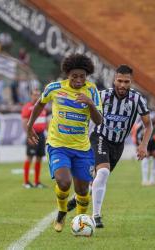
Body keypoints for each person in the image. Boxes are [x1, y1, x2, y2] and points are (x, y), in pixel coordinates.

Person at [68, 65, 152, 228]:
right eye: (119, 81)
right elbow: (86, 114)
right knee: (104, 171)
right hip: (100, 138)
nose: (122, 85)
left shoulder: (137, 99)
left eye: (126, 82)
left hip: (118, 145)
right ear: (114, 80)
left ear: (131, 82)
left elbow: (148, 125)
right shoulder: (103, 96)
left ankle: (78, 198)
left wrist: (143, 145)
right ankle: (96, 216)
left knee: (99, 178)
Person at [26, 54, 102, 232]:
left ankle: (80, 220)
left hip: (82, 149)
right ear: (67, 74)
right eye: (74, 75)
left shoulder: (91, 91)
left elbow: (98, 121)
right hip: (58, 146)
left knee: (83, 190)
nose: (78, 79)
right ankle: (61, 212)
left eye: (82, 76)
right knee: (64, 182)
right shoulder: (54, 88)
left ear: (87, 75)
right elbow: (39, 104)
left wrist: (90, 104)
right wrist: (30, 126)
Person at [21, 89, 48, 188]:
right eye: (34, 95)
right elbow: (24, 122)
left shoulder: (42, 107)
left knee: (39, 157)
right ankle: (26, 182)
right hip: (32, 135)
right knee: (30, 157)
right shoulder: (27, 107)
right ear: (31, 96)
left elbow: (44, 121)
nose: (36, 97)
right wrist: (28, 135)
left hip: (41, 135)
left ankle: (37, 182)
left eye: (38, 95)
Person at [138, 111, 155, 186]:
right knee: (146, 157)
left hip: (152, 140)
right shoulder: (150, 121)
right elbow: (142, 132)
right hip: (144, 139)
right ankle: (144, 180)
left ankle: (152, 180)